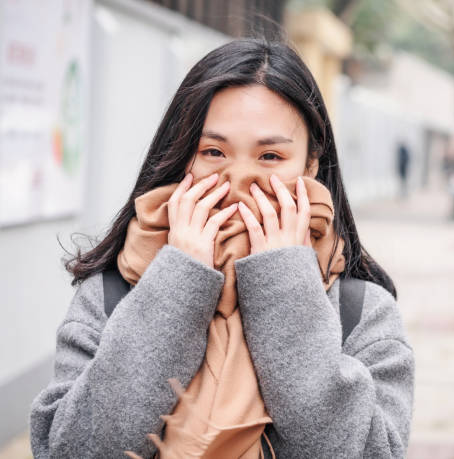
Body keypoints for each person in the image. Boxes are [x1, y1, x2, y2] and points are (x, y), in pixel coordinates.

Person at [29, 38, 415, 459]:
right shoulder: (111, 294)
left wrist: (284, 283)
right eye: (213, 151)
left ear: (310, 164)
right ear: (181, 157)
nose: (238, 180)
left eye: (270, 156)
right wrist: (179, 280)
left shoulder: (361, 312)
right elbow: (72, 450)